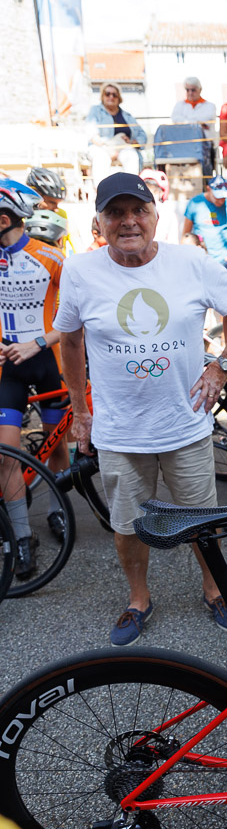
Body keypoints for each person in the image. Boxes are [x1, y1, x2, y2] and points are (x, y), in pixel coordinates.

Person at [54, 173, 227, 645]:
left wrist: (222, 367)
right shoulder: (81, 271)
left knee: (202, 521)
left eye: (139, 211)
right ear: (100, 222)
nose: (129, 221)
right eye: (116, 213)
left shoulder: (189, 262)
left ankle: (214, 591)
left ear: (155, 216)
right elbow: (70, 340)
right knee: (127, 525)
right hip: (119, 431)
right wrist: (79, 409)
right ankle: (138, 600)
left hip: (184, 426)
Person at [0, 180, 69, 578]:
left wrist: (38, 342)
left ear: (5, 218)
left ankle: (58, 512)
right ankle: (21, 537)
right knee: (6, 454)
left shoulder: (51, 257)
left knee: (57, 448)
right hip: (6, 368)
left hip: (47, 363)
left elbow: (78, 314)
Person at [85, 82, 147, 186]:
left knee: (132, 156)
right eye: (107, 93)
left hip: (123, 147)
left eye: (114, 95)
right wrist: (107, 148)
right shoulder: (95, 111)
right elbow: (91, 131)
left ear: (119, 98)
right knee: (101, 158)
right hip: (101, 147)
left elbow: (142, 134)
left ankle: (131, 190)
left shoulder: (127, 116)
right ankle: (102, 193)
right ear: (102, 96)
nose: (111, 97)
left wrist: (133, 142)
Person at [182, 176, 227, 265]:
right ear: (208, 189)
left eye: (224, 197)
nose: (221, 200)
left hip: (224, 261)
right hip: (200, 259)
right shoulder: (194, 203)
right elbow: (186, 235)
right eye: (218, 196)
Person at [25, 167, 72, 253]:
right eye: (52, 202)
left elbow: (73, 242)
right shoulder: (21, 217)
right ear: (35, 196)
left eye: (58, 203)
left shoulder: (61, 215)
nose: (56, 209)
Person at [140, 169, 179, 245]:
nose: (150, 197)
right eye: (146, 191)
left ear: (161, 193)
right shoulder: (131, 213)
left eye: (154, 192)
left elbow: (173, 243)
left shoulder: (168, 214)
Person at [170, 76, 216, 140]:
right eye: (187, 90)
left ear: (200, 90)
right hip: (184, 142)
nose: (190, 93)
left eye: (193, 90)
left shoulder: (210, 106)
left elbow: (207, 121)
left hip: (204, 145)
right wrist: (198, 123)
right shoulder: (179, 105)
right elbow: (175, 120)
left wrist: (186, 121)